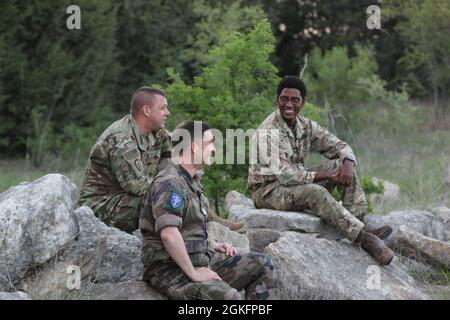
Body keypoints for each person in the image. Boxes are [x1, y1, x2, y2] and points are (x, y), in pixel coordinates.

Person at [247, 75, 394, 265]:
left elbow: (339, 145)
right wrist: (324, 175)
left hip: (292, 185)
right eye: (284, 99)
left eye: (295, 100)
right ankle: (365, 240)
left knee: (340, 166)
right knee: (315, 191)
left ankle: (358, 223)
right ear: (277, 101)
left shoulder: (306, 126)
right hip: (267, 191)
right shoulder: (268, 132)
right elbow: (286, 175)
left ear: (303, 103)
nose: (288, 104)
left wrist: (348, 162)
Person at [140, 120, 277, 299]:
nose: (213, 149)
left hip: (199, 259)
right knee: (230, 297)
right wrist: (194, 274)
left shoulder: (192, 180)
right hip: (170, 269)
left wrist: (212, 245)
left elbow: (188, 228)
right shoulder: (170, 182)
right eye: (211, 142)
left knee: (262, 264)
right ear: (194, 147)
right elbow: (169, 234)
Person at [79, 87, 171, 233]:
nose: (167, 113)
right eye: (163, 108)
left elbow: (183, 156)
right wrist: (174, 187)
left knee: (180, 199)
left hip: (126, 199)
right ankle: (162, 251)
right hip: (101, 206)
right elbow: (136, 186)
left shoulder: (158, 134)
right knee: (164, 203)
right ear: (147, 110)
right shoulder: (121, 139)